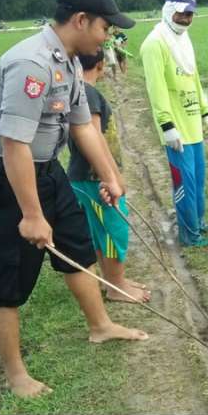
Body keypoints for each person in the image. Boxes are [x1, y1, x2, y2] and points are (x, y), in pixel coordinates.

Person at [0, 0, 148, 399]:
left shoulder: (69, 63)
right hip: (3, 177)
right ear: (81, 20)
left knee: (77, 244)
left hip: (46, 169)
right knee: (4, 274)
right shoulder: (31, 64)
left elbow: (82, 126)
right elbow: (13, 144)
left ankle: (101, 326)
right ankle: (16, 376)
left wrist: (110, 177)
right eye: (105, 27)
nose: (107, 36)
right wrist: (31, 214)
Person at [67, 48, 150, 303]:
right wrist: (113, 176)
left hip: (86, 178)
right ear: (101, 65)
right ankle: (116, 287)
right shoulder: (89, 93)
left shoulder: (78, 91)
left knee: (101, 231)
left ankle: (113, 281)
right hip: (95, 180)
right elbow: (94, 136)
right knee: (115, 230)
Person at [140, 0, 208, 247]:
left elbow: (194, 78)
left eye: (190, 14)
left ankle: (199, 222)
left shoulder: (183, 39)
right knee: (184, 183)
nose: (185, 19)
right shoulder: (155, 44)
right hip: (176, 130)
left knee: (198, 180)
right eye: (181, 13)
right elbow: (156, 89)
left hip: (193, 124)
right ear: (169, 10)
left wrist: (206, 112)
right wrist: (167, 126)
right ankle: (189, 235)